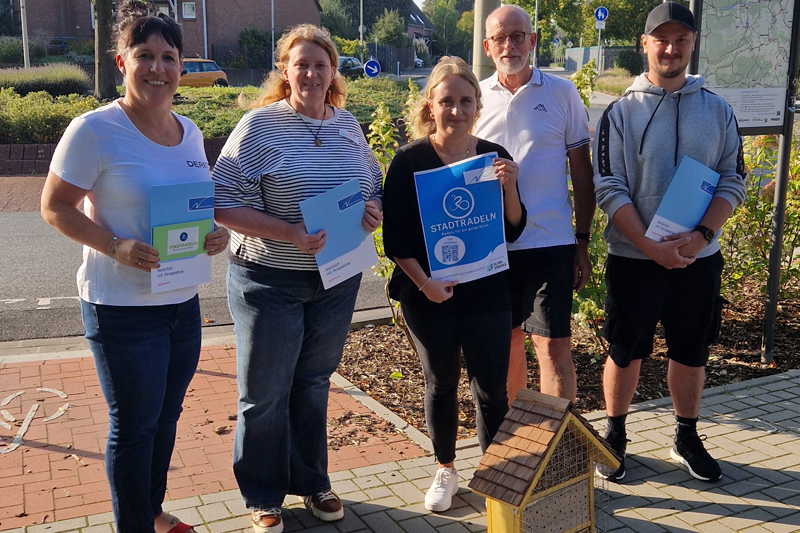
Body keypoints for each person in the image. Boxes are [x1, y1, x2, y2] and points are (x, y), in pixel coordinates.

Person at [39, 2, 230, 532]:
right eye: (144, 55)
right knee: (134, 427)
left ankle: (151, 511)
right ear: (122, 63)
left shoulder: (189, 132)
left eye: (169, 57)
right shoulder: (95, 130)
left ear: (182, 68)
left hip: (181, 302)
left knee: (165, 420)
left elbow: (194, 208)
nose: (158, 68)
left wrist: (215, 234)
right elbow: (53, 207)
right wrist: (114, 245)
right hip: (120, 308)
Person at [211, 24, 383, 533]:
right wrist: (288, 231)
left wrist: (374, 208)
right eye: (300, 64)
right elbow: (222, 203)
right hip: (268, 278)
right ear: (284, 72)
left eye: (320, 64)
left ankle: (312, 482)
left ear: (334, 73)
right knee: (264, 392)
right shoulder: (259, 127)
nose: (310, 73)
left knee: (311, 383)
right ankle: (262, 494)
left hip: (336, 279)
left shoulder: (347, 125)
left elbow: (371, 184)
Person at [593, 1, 745, 483]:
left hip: (698, 257)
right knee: (625, 350)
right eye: (661, 38)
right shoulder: (619, 112)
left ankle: (686, 435)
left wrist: (702, 236)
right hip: (634, 257)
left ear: (692, 45)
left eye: (681, 39)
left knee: (690, 350)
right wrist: (650, 244)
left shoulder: (718, 110)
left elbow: (732, 180)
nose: (671, 48)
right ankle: (615, 433)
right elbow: (608, 186)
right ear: (645, 44)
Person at [383, 56, 526, 513]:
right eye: (447, 101)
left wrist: (510, 190)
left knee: (492, 390)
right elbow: (395, 240)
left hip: (488, 293)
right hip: (428, 294)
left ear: (478, 105)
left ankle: (494, 474)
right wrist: (424, 284)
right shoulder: (408, 161)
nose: (456, 110)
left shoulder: (493, 157)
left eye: (466, 101)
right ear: (431, 105)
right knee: (441, 382)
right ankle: (446, 468)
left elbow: (515, 230)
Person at [473, 5, 595, 405]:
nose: (510, 45)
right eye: (501, 38)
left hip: (551, 242)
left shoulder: (562, 93)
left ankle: (557, 449)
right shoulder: (474, 98)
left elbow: (582, 173)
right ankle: (518, 443)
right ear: (488, 46)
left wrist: (582, 240)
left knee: (553, 347)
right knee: (506, 345)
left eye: (518, 36)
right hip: (494, 244)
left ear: (533, 40)